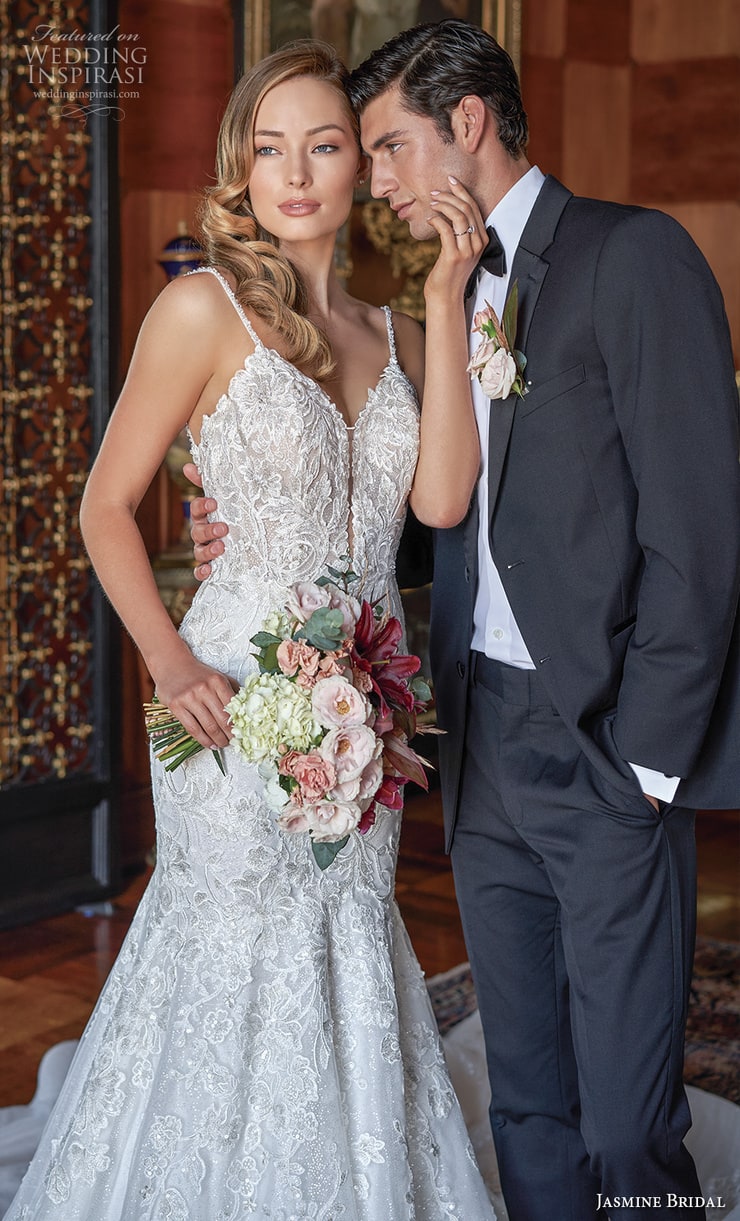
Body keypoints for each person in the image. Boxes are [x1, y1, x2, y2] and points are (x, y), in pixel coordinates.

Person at [192, 19, 740, 1221]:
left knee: (627, 1119)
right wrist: (240, 521)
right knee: (528, 1099)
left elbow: (698, 533)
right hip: (478, 737)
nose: (374, 178)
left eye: (387, 145)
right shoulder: (434, 297)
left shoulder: (631, 256)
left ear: (470, 124)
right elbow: (432, 510)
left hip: (604, 740)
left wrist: (648, 760)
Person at [4, 40, 500, 1220]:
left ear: (357, 168)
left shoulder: (398, 332)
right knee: (232, 948)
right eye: (270, 149)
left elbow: (438, 502)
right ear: (241, 168)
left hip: (366, 712)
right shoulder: (200, 309)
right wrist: (168, 660)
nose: (296, 173)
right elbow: (104, 507)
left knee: (344, 940)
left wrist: (441, 300)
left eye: (323, 146)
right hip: (224, 699)